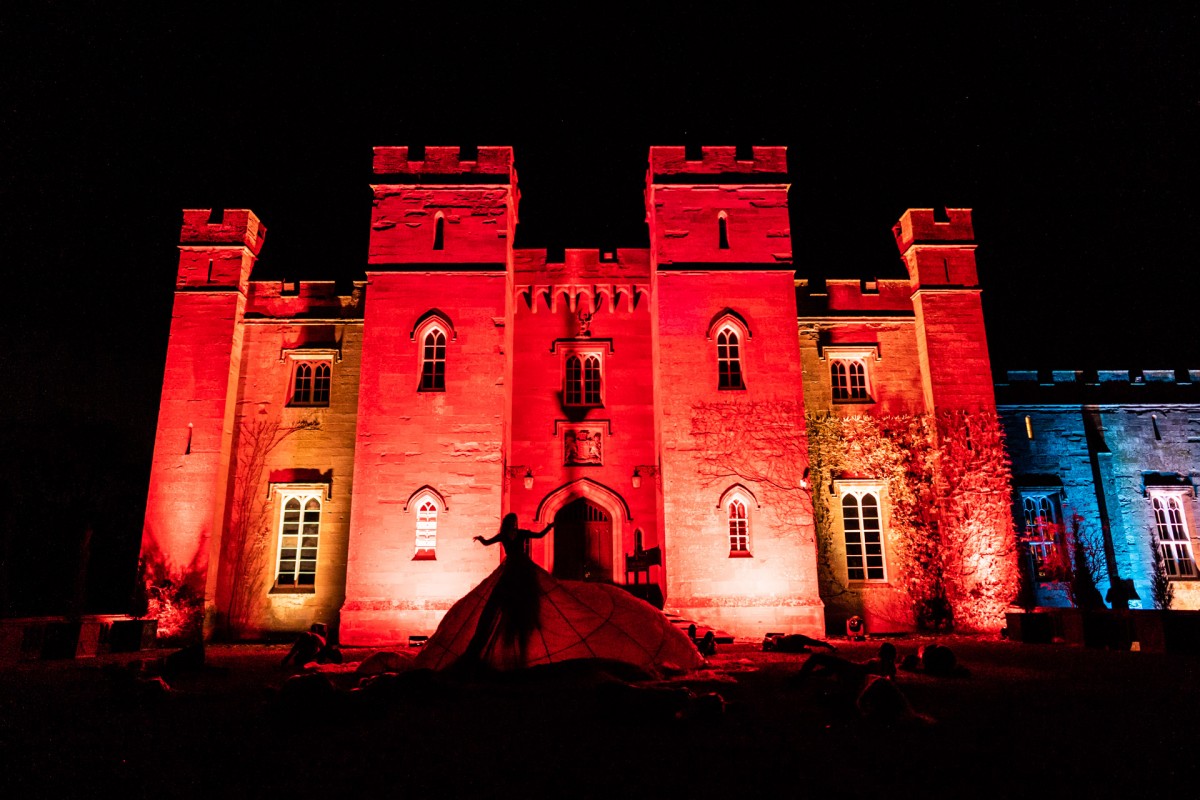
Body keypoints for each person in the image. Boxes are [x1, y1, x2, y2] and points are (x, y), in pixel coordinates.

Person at [460, 514, 554, 667]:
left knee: (527, 593)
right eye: (512, 521)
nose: (515, 523)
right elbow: (487, 543)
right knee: (502, 595)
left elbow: (539, 535)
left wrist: (548, 528)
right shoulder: (503, 535)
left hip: (522, 566)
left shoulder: (522, 533)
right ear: (508, 522)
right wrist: (481, 538)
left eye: (515, 521)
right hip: (511, 567)